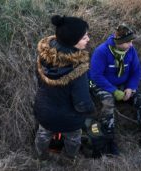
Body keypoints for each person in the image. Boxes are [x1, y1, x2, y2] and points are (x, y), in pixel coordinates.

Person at [89, 24, 141, 156]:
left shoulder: (131, 51)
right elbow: (95, 76)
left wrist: (131, 87)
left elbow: (136, 71)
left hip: (123, 84)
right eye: (128, 42)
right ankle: (109, 141)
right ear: (119, 42)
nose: (131, 45)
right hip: (102, 84)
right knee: (108, 102)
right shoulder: (102, 51)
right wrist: (114, 91)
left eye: (131, 41)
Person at [33, 15, 95, 160]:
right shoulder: (78, 69)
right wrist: (91, 109)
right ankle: (68, 160)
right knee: (73, 138)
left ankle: (39, 157)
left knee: (43, 134)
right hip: (69, 119)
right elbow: (82, 103)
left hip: (44, 111)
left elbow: (39, 83)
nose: (88, 39)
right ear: (73, 40)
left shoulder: (43, 57)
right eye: (84, 37)